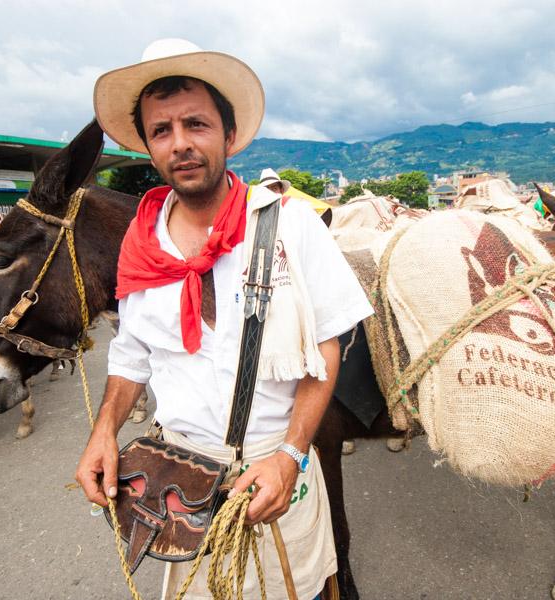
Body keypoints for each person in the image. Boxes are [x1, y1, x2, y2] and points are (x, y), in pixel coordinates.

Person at [77, 38, 372, 600]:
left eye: (196, 124)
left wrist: (290, 455)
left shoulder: (291, 226)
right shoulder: (140, 248)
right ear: (147, 147)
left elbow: (327, 345)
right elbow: (132, 358)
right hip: (180, 488)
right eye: (161, 130)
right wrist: (104, 432)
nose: (180, 143)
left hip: (277, 474)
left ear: (229, 135)